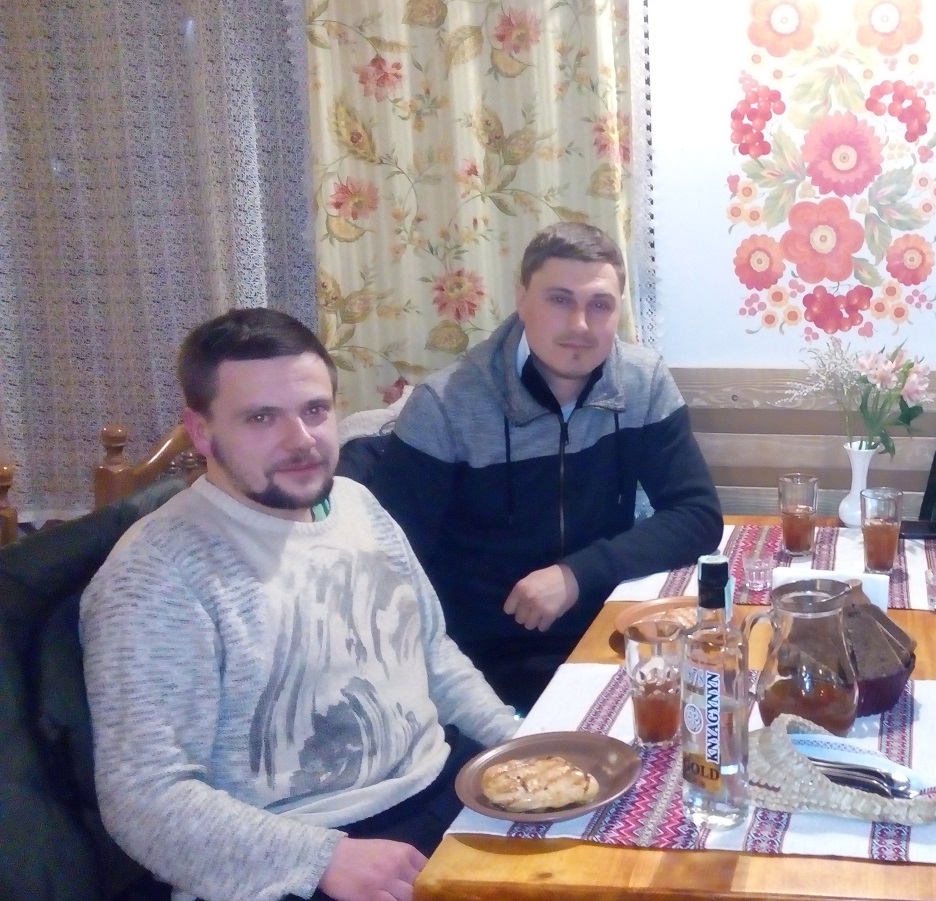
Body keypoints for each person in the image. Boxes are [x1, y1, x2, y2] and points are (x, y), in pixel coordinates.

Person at [81, 309, 520, 901]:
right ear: (203, 433)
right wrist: (322, 860)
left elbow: (430, 653)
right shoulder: (156, 575)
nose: (301, 440)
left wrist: (515, 744)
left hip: (443, 790)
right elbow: (144, 798)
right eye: (262, 417)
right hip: (298, 856)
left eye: (314, 410)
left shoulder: (359, 506)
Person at [366, 223, 722, 710]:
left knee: (721, 707)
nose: (580, 325)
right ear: (522, 299)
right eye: (559, 300)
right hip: (485, 660)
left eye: (600, 305)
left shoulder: (643, 382)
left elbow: (697, 515)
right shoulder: (445, 407)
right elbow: (389, 568)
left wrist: (576, 574)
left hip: (607, 634)